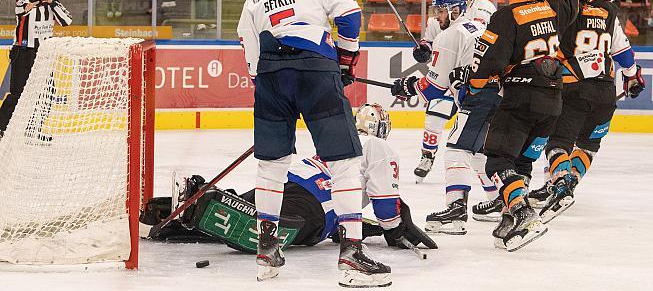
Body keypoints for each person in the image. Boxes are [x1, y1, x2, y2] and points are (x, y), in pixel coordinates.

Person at [236, 0, 391, 287]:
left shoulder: (252, 0)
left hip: (271, 78)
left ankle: (267, 252)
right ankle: (352, 255)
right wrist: (346, 61)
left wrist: (276, 88)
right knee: (344, 163)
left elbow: (252, 64)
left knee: (271, 167)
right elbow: (349, 17)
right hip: (315, 71)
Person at [142, 104, 437, 254]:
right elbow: (385, 203)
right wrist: (395, 229)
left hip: (283, 185)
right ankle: (203, 205)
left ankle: (184, 209)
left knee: (251, 214)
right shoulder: (379, 146)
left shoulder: (335, 141)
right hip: (313, 207)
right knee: (259, 232)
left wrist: (367, 229)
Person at [451, 0, 580, 251]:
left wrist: (469, 84)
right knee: (521, 161)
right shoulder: (553, 6)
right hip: (553, 100)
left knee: (497, 158)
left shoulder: (504, 18)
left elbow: (487, 64)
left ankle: (523, 214)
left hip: (521, 98)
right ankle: (510, 215)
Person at [533, 0, 645, 224]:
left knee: (557, 143)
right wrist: (632, 78)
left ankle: (561, 183)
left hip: (574, 90)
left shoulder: (562, 15)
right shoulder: (607, 14)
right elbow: (625, 55)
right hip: (606, 93)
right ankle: (570, 181)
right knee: (588, 146)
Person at [412, 0, 496, 191]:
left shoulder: (485, 7)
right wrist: (423, 50)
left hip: (471, 85)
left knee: (461, 152)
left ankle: (461, 206)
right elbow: (429, 43)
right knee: (434, 119)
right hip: (465, 81)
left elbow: (432, 88)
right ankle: (427, 157)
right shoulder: (441, 22)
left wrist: (409, 87)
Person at [0, 0, 72, 139]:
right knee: (17, 94)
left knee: (47, 94)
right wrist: (36, 4)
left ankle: (34, 128)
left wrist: (52, 2)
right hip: (23, 53)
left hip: (43, 55)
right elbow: (22, 9)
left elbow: (66, 21)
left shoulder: (52, 0)